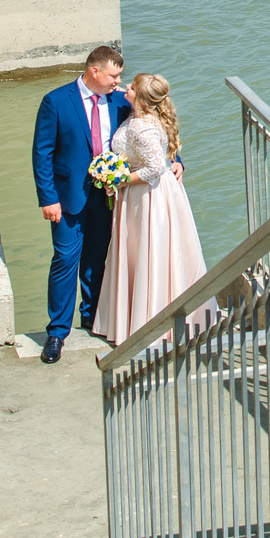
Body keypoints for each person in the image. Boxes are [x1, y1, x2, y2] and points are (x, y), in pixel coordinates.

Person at [91, 73, 209, 347]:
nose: (125, 88)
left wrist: (118, 180)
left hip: (147, 195)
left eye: (131, 87)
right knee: (154, 252)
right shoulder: (141, 117)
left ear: (142, 98)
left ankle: (148, 321)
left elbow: (155, 167)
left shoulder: (140, 127)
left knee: (149, 251)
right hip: (154, 191)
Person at [31, 44, 129, 364]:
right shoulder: (56, 101)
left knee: (97, 258)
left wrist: (176, 158)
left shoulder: (119, 101)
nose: (118, 82)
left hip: (107, 196)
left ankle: (92, 318)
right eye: (114, 76)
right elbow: (42, 154)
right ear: (94, 71)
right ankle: (58, 331)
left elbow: (152, 127)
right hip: (68, 199)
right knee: (65, 260)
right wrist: (49, 198)